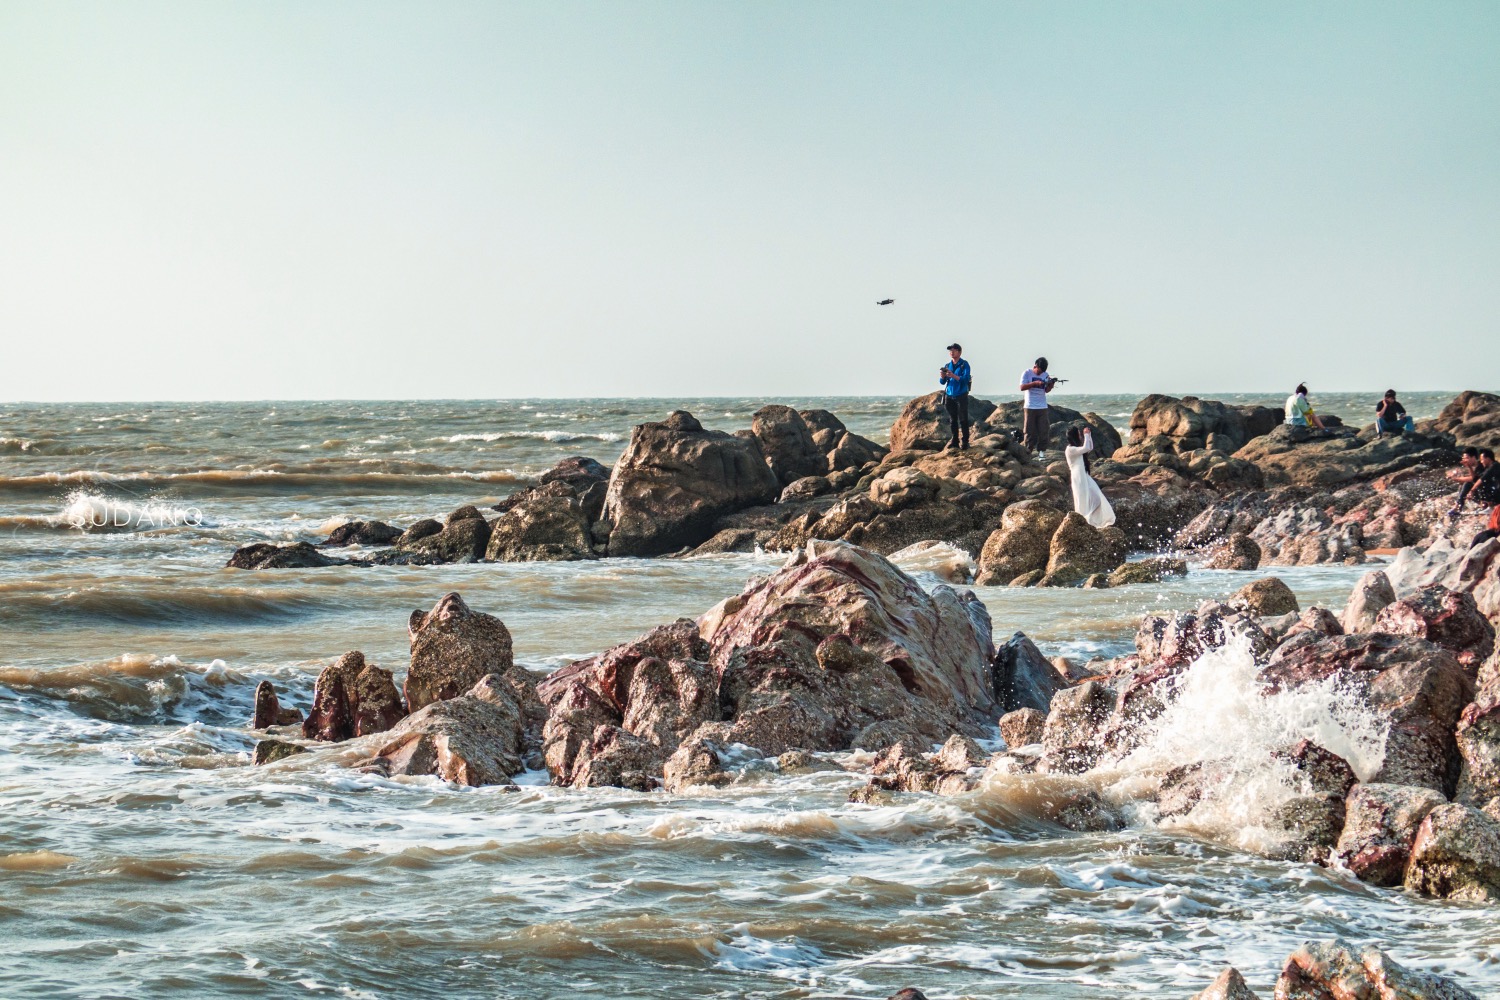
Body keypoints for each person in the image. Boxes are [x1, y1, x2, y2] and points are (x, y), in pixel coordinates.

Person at [1065, 425, 1115, 528]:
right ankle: (1083, 523)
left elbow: (1090, 448)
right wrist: (1086, 435)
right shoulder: (1070, 449)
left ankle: (1092, 521)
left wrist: (1089, 435)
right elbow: (1086, 447)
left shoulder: (1076, 448)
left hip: (1083, 475)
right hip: (1078, 477)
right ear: (1074, 436)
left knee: (1096, 496)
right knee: (1082, 500)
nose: (1080, 436)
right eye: (1079, 434)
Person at [937, 343, 972, 450]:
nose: (951, 352)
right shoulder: (948, 365)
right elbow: (942, 382)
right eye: (950, 351)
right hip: (949, 395)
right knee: (952, 420)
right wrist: (942, 377)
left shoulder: (964, 364)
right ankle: (955, 441)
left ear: (959, 352)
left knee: (963, 419)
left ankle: (965, 441)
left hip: (961, 394)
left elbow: (965, 379)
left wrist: (954, 376)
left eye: (954, 350)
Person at [1020, 357, 1054, 457]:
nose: (1040, 373)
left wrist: (1051, 385)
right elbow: (1022, 387)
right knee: (1029, 431)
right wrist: (1034, 383)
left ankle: (1041, 453)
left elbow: (1046, 390)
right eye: (1039, 371)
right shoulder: (1027, 373)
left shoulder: (1046, 375)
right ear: (1035, 366)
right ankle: (1028, 452)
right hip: (1030, 406)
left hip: (1042, 406)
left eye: (1042, 371)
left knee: (1044, 430)